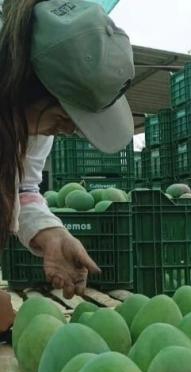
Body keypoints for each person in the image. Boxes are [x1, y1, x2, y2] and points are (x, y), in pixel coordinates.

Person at [0, 0, 135, 332]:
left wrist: (52, 235)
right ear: (25, 84)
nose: (69, 130)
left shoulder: (30, 121)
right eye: (64, 117)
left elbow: (24, 189)